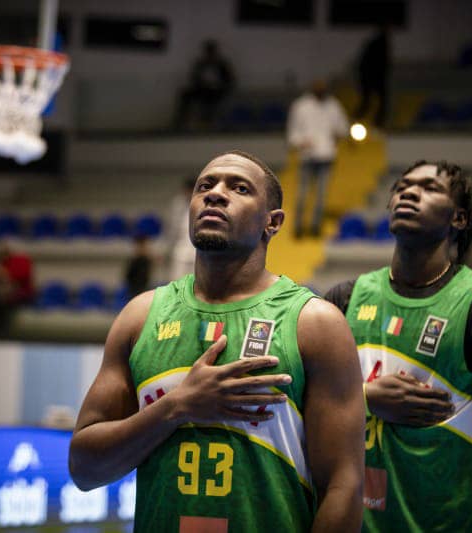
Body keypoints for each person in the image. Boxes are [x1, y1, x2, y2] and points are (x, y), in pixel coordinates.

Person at [70, 151, 365, 531]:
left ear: (271, 223)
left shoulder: (315, 323)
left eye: (239, 188)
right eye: (205, 186)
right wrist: (176, 407)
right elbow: (84, 469)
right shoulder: (140, 316)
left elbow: (343, 487)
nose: (215, 194)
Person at [324, 160, 472, 531]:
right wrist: (366, 397)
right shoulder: (344, 299)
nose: (408, 192)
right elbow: (304, 409)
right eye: (402, 186)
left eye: (429, 188)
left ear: (457, 219)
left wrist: (442, 480)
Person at [287, 78, 349, 238]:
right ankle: (298, 227)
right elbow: (293, 132)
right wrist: (301, 142)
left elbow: (343, 127)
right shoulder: (301, 106)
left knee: (321, 195)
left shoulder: (334, 106)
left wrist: (338, 135)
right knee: (302, 193)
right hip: (308, 156)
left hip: (327, 156)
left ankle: (315, 227)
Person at [173, 39, 235, 130]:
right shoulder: (200, 64)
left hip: (217, 91)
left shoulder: (222, 65)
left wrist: (218, 85)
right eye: (208, 52)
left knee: (212, 99)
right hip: (202, 89)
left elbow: (229, 80)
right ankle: (180, 123)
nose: (210, 54)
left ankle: (209, 121)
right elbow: (194, 78)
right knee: (185, 94)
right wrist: (202, 84)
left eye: (211, 52)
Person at [0, 241, 35, 334]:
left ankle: (5, 332)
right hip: (5, 294)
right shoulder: (1, 264)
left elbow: (19, 281)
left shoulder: (21, 261)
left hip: (22, 294)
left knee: (5, 302)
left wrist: (5, 276)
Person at [355, 25, 391, 127]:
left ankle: (378, 123)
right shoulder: (376, 44)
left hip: (376, 78)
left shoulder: (380, 43)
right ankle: (358, 120)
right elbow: (365, 64)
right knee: (367, 101)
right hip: (371, 78)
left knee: (380, 102)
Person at [167, 177, 196, 280]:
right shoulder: (178, 204)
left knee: (195, 284)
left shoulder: (203, 203)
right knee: (176, 281)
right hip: (179, 251)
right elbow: (172, 230)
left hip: (196, 251)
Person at [124, 234, 152, 299]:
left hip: (144, 290)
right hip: (135, 291)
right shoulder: (134, 261)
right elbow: (128, 277)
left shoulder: (147, 261)